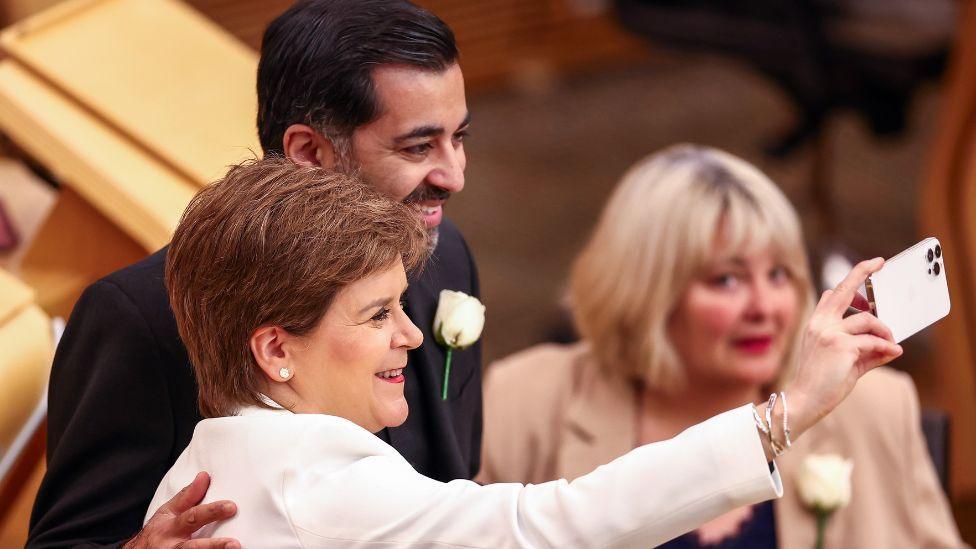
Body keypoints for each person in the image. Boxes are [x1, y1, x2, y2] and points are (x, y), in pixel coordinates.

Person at [150, 156, 899, 546]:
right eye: (379, 314)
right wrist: (786, 413)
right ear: (276, 349)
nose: (410, 336)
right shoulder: (321, 485)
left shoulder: (193, 477)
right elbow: (557, 524)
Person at [28, 2, 478, 547]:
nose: (453, 175)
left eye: (460, 138)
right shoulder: (142, 315)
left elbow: (460, 469)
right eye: (418, 146)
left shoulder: (445, 252)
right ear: (308, 152)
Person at [478, 145, 965, 548]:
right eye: (727, 280)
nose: (765, 307)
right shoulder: (527, 401)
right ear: (645, 292)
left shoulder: (875, 407)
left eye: (778, 274)